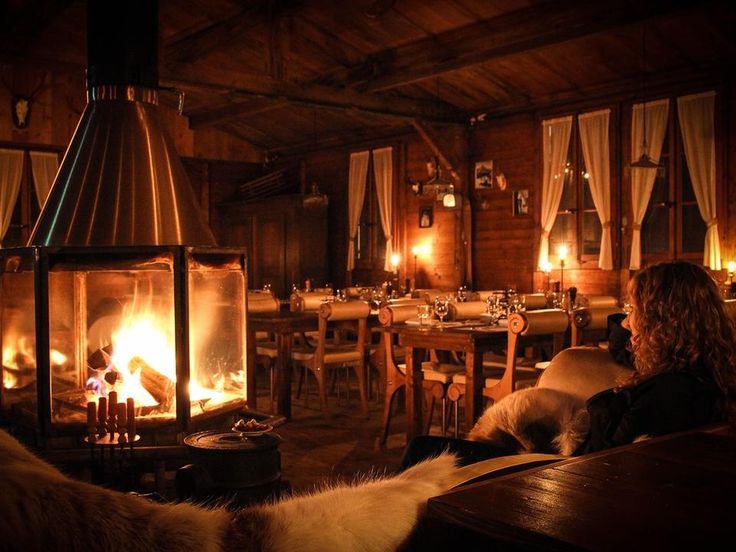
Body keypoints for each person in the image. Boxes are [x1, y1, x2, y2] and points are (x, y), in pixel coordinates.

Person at [400, 261, 736, 469]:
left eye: (636, 313)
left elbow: (607, 460)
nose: (628, 324)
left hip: (558, 476)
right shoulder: (694, 366)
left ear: (663, 322)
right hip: (560, 460)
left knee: (423, 450)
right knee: (430, 450)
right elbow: (623, 345)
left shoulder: (670, 391)